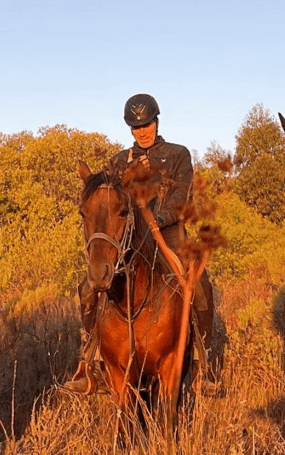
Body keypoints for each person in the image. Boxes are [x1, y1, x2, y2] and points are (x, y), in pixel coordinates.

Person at [62, 93, 215, 394]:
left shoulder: (178, 154)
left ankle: (203, 364)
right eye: (136, 126)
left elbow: (182, 196)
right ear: (130, 128)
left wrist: (157, 219)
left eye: (146, 124)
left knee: (199, 284)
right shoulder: (120, 161)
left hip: (168, 232)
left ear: (156, 121)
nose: (142, 130)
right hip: (132, 240)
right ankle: (90, 362)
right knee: (88, 288)